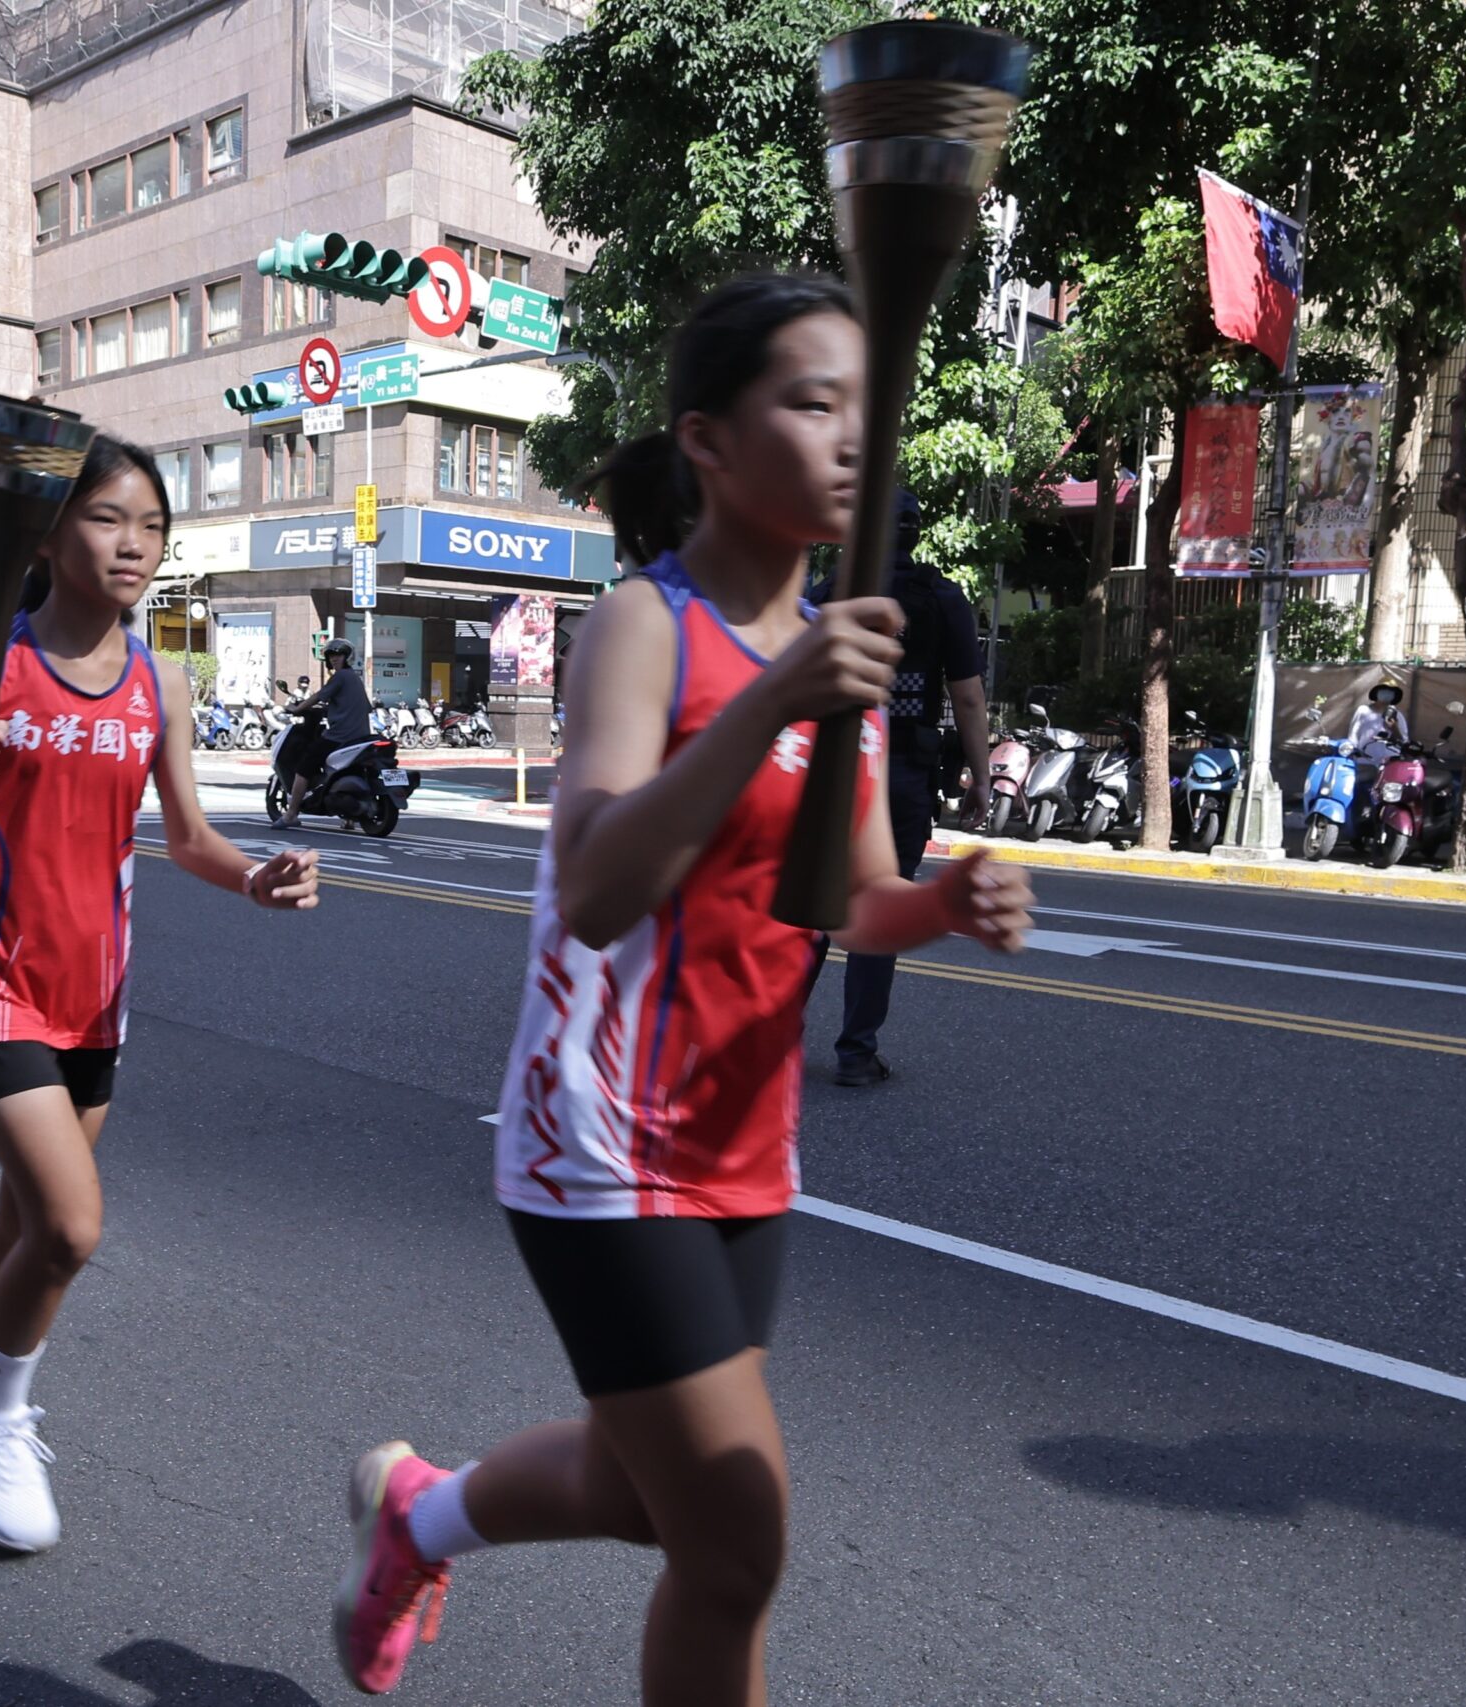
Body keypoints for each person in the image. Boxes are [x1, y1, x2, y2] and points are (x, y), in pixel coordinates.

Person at [329, 274, 1033, 1702]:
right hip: (601, 1143)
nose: (850, 434)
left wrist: (946, 898)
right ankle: (415, 1515)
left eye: (862, 406)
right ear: (708, 442)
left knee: (654, 1494)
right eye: (810, 401)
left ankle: (416, 1510)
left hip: (745, 1148)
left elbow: (848, 898)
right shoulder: (645, 629)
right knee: (735, 1544)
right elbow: (593, 882)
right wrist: (775, 700)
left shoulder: (835, 648)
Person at [0, 435, 319, 1554]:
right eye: (109, 519)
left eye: (151, 527)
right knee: (69, 1225)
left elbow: (191, 835)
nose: (134, 545)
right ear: (53, 529)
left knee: (27, 1213)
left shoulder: (157, 676)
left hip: (96, 982)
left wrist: (254, 877)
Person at [827, 487, 990, 1087]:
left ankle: (771, 1040)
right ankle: (856, 1052)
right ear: (917, 534)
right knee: (881, 906)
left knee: (809, 907)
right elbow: (967, 696)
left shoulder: (828, 592)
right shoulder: (939, 596)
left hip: (830, 773)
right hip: (900, 779)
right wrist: (981, 777)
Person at [272, 638, 372, 828]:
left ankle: (291, 814)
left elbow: (318, 696)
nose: (335, 659)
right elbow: (365, 707)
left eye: (339, 655)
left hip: (340, 736)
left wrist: (297, 709)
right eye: (331, 655)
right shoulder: (355, 679)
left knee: (304, 767)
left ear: (347, 657)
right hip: (361, 736)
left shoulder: (340, 676)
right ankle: (349, 818)